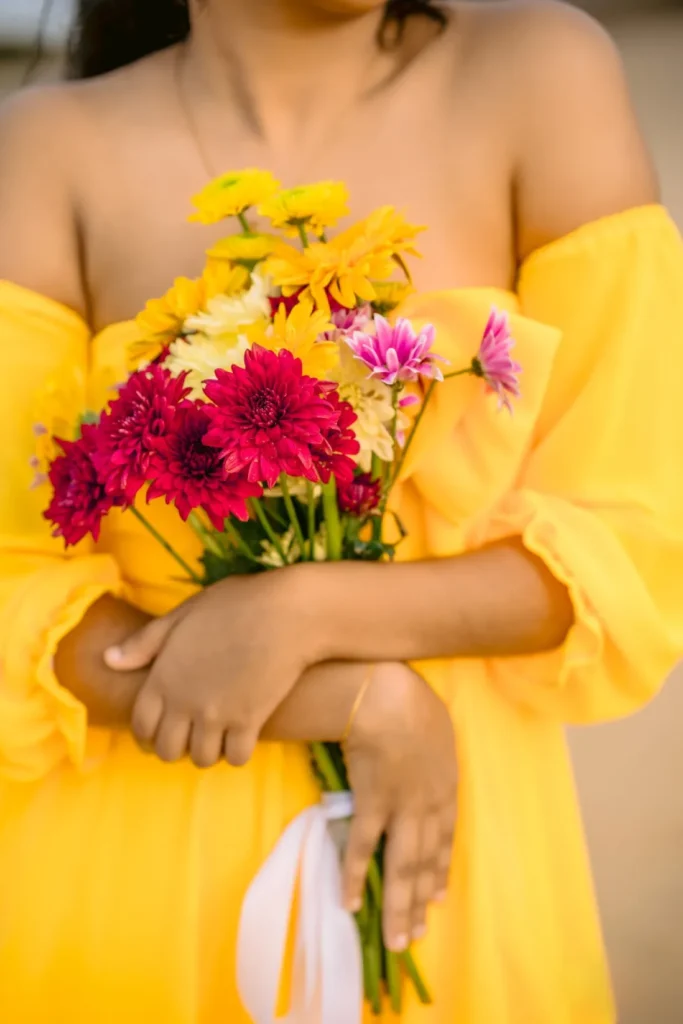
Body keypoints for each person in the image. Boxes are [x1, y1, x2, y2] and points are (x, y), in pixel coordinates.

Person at [0, 0, 681, 1020]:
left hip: (441, 863)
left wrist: (306, 611)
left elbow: (633, 535)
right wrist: (359, 700)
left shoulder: (538, 74)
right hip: (123, 885)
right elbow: (14, 593)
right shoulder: (43, 149)